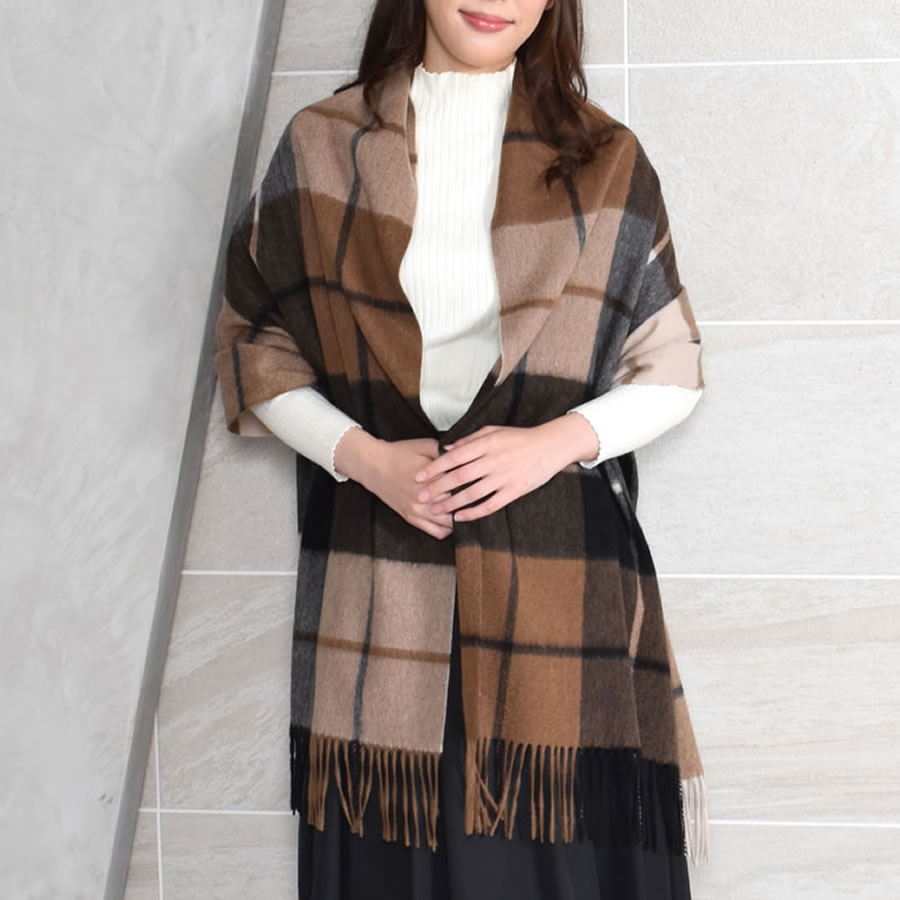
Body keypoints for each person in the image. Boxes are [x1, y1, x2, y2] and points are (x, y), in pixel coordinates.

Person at [219, 1, 706, 897]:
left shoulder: (604, 158)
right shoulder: (321, 144)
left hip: (561, 593)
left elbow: (673, 367)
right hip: (381, 578)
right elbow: (254, 342)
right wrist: (365, 458)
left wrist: (549, 446)